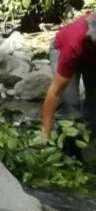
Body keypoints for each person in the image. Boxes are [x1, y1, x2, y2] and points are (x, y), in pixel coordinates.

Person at [41, 12, 96, 141]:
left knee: (94, 98)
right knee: (71, 103)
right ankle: (68, 140)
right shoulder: (73, 44)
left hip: (90, 56)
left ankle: (89, 136)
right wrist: (45, 133)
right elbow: (55, 92)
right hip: (63, 48)